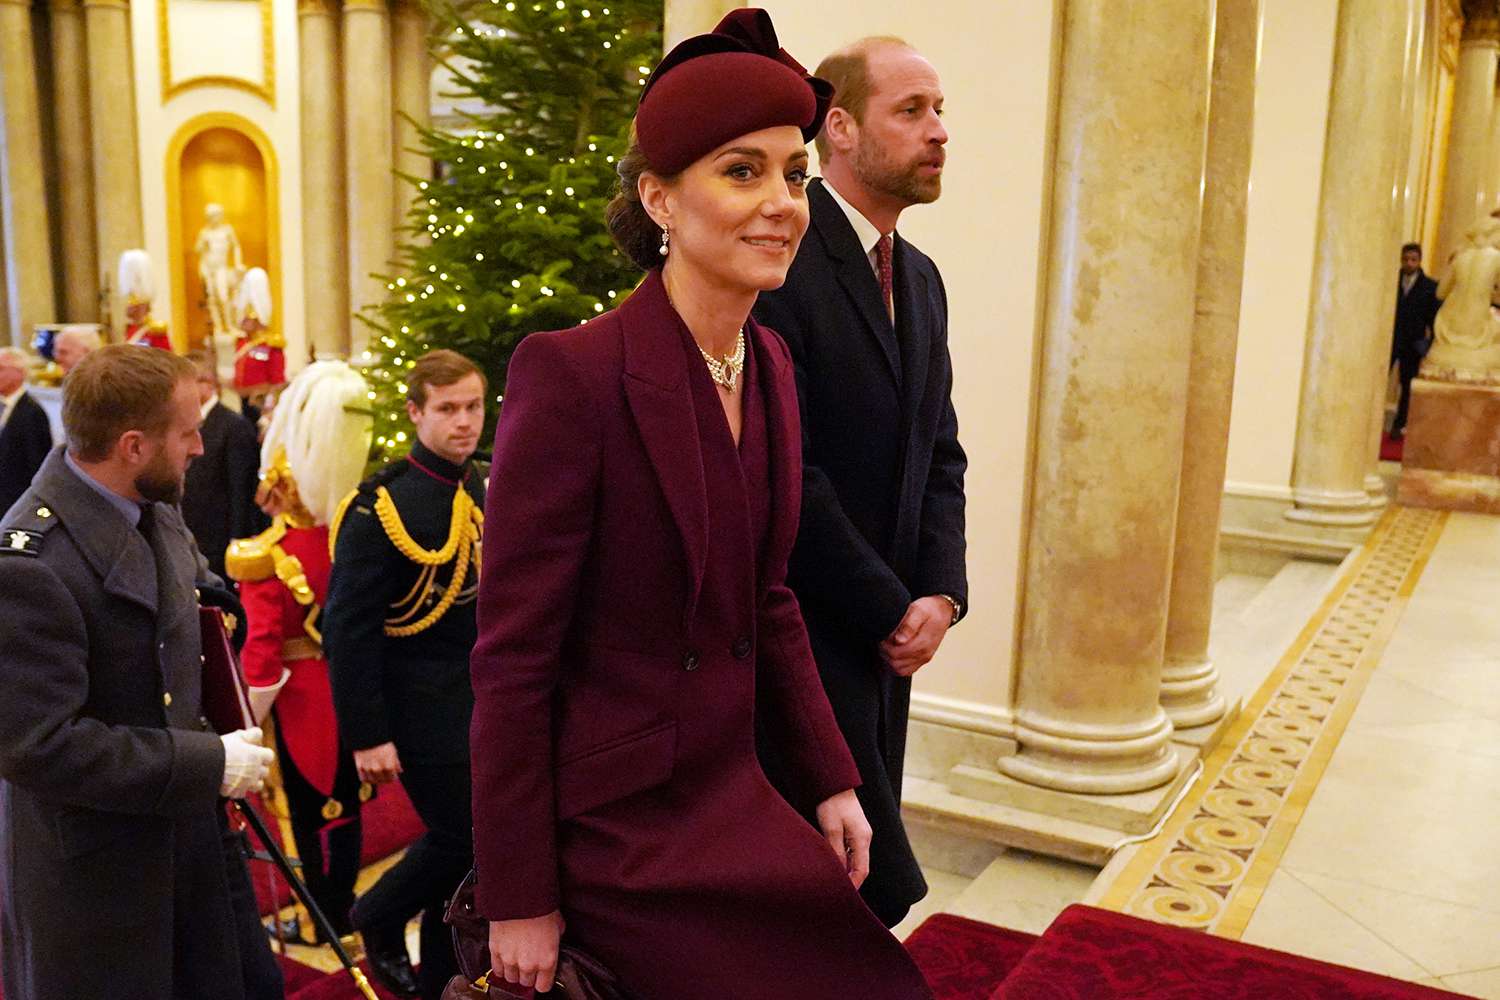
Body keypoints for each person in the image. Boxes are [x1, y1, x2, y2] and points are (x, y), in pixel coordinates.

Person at [470, 11, 932, 998]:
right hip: (612, 825)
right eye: (741, 171)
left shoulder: (764, 362)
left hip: (730, 786)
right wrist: (520, 894)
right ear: (659, 198)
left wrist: (832, 776)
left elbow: (769, 599)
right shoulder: (572, 374)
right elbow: (513, 658)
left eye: (794, 173)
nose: (782, 203)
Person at [750, 35, 968, 929]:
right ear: (837, 126)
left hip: (891, 640)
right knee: (821, 890)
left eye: (941, 109)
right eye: (911, 111)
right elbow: (787, 469)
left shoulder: (918, 276)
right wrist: (889, 606)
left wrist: (941, 593)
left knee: (857, 887)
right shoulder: (781, 263)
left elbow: (942, 452)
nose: (940, 131)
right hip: (804, 633)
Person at [0, 345, 276, 1000]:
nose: (200, 450)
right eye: (187, 434)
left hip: (189, 840)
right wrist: (208, 764)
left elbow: (197, 598)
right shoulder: (28, 564)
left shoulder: (154, 507)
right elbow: (38, 746)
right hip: (98, 875)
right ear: (133, 446)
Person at [323, 349, 486, 1000]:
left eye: (474, 406)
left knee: (474, 849)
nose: (465, 422)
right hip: (416, 707)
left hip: (474, 699)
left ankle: (443, 974)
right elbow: (347, 629)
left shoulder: (474, 483)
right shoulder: (380, 507)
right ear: (416, 412)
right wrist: (367, 735)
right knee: (462, 837)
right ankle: (377, 915)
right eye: (448, 409)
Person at [228, 361, 374, 944]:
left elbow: (261, 656)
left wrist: (245, 721)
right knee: (349, 807)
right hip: (349, 690)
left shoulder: (265, 555)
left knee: (308, 818)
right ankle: (345, 910)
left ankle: (321, 922)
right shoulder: (351, 532)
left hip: (298, 702)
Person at [183, 355, 264, 580]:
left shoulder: (232, 425)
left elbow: (241, 487)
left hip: (219, 537)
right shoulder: (184, 421)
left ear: (207, 384)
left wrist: (237, 538)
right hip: (193, 532)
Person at [1390, 242, 1441, 438]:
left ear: (1419, 261)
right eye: (1405, 259)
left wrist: (1430, 343)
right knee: (1379, 379)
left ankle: (1400, 423)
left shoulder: (1429, 287)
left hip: (1413, 343)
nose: (1409, 263)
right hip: (1391, 341)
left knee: (1407, 385)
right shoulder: (1391, 282)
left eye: (1413, 259)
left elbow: (1433, 318)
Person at [0, 347, 52, 516]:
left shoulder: (31, 412)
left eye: (1, 368)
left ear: (20, 372)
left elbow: (36, 463)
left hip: (16, 503)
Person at [233, 267, 287, 401]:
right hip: (244, 402)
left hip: (261, 403)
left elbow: (277, 382)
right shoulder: (241, 343)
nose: (242, 322)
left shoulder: (271, 344)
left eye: (247, 319)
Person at [120, 248, 174, 350]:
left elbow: (166, 360)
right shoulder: (130, 330)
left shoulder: (156, 331)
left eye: (133, 304)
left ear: (143, 307)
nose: (129, 307)